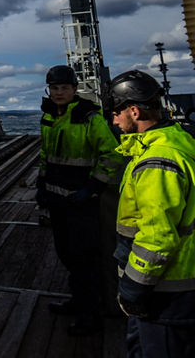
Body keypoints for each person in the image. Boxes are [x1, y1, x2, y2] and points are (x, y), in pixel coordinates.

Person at [107, 69, 195, 357]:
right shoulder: (177, 141)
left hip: (166, 290)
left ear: (134, 110)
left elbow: (157, 238)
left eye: (116, 112)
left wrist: (133, 288)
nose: (113, 120)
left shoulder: (157, 161)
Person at [35, 64, 122, 335]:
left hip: (81, 201)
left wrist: (93, 186)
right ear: (49, 91)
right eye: (54, 88)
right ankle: (78, 301)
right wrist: (41, 184)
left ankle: (90, 314)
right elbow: (46, 154)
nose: (59, 93)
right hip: (58, 200)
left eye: (64, 88)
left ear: (74, 89)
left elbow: (112, 154)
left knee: (85, 259)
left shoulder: (89, 118)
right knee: (67, 254)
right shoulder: (50, 117)